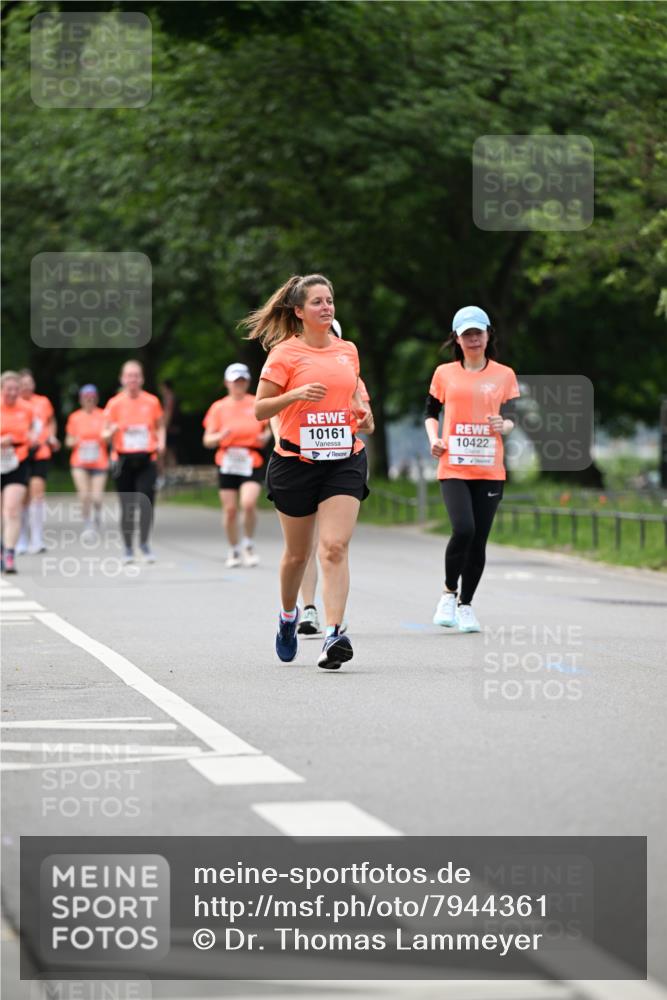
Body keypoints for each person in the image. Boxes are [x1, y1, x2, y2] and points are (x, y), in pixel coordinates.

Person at [242, 274, 373, 669]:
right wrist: (296, 395)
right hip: (295, 463)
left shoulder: (348, 351)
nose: (327, 307)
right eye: (317, 302)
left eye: (330, 300)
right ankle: (287, 617)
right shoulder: (285, 354)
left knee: (333, 547)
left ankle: (334, 634)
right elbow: (260, 409)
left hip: (344, 458)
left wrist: (358, 412)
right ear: (298, 311)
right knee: (297, 555)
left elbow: (351, 397)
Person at [425, 305, 519, 633]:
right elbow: (429, 411)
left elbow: (513, 417)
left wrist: (503, 424)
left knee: (478, 540)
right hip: (453, 465)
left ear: (488, 334)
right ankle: (448, 593)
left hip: (490, 468)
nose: (474, 339)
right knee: (463, 529)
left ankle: (466, 605)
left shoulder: (504, 375)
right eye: (467, 334)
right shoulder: (444, 373)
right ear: (457, 338)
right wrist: (434, 439)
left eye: (479, 332)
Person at [295, 319, 374, 636]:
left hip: (341, 464)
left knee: (333, 545)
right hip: (302, 463)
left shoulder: (353, 378)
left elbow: (368, 424)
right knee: (306, 544)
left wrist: (363, 418)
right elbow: (278, 414)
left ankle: (333, 620)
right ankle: (307, 608)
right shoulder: (297, 370)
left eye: (335, 338)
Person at [202, 362, 272, 568]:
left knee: (248, 504)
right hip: (227, 460)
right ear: (227, 383)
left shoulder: (256, 403)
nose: (238, 385)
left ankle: (248, 544)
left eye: (242, 381)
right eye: (235, 381)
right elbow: (207, 440)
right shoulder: (219, 407)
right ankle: (233, 549)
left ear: (248, 382)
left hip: (251, 458)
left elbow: (273, 425)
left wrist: (266, 436)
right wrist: (219, 436)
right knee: (230, 509)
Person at [103, 360, 165, 563]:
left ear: (142, 379)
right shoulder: (114, 403)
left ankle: (145, 544)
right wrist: (110, 432)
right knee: (128, 506)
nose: (132, 379)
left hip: (147, 458)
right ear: (122, 379)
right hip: (123, 460)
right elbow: (103, 434)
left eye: (136, 375)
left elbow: (160, 426)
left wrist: (161, 442)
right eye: (129, 376)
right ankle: (129, 547)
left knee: (146, 502)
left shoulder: (152, 401)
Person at [16, 369, 60, 555]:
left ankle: (37, 538)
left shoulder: (42, 402)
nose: (27, 387)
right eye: (23, 384)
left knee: (38, 493)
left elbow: (50, 422)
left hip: (40, 451)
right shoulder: (13, 404)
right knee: (22, 497)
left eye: (29, 383)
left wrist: (52, 437)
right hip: (19, 453)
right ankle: (22, 538)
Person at [1, 372, 37, 574]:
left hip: (18, 460)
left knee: (12, 510)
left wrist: (32, 438)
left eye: (16, 389)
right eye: (9, 389)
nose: (13, 393)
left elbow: (35, 431)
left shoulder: (27, 409)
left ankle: (9, 554)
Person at [65, 384, 109, 537]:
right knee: (84, 495)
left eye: (92, 397)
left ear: (96, 398)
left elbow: (109, 438)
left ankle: (97, 516)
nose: (89, 400)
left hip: (99, 461)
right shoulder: (74, 417)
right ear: (81, 400)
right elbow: (68, 440)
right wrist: (74, 441)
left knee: (97, 496)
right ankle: (87, 524)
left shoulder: (104, 415)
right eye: (86, 398)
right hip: (80, 461)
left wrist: (107, 436)